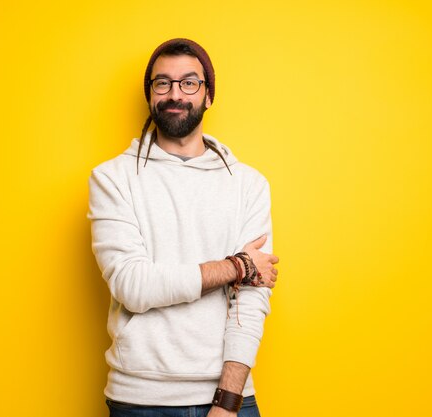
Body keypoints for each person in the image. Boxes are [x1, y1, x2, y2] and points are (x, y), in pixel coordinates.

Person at [88, 38, 279, 417]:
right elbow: (133, 286)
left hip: (231, 398)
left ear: (208, 95)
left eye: (189, 83)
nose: (176, 94)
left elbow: (252, 300)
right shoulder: (112, 178)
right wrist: (238, 266)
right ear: (150, 94)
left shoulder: (248, 184)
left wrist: (227, 402)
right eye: (163, 83)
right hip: (141, 401)